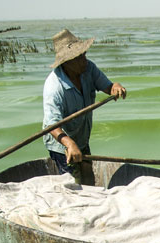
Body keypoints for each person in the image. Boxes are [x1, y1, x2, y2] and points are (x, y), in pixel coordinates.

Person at [43, 29, 126, 178]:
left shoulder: (89, 69)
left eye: (84, 55)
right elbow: (51, 125)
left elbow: (108, 86)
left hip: (81, 138)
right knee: (72, 184)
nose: (84, 60)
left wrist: (116, 87)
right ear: (67, 62)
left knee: (88, 176)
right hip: (62, 144)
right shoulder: (54, 87)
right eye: (79, 57)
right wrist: (69, 144)